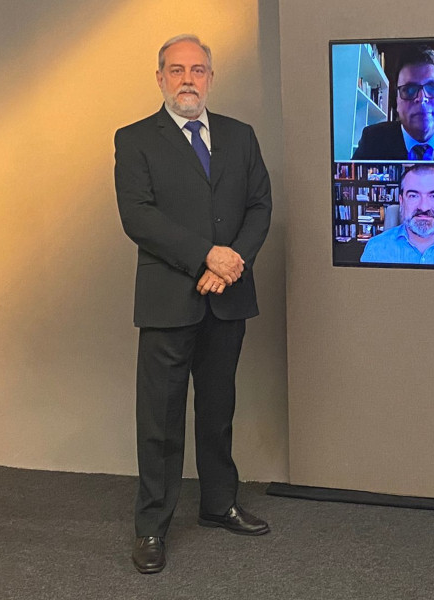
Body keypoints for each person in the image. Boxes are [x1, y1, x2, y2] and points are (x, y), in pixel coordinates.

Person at [114, 34, 272, 575]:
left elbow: (259, 206)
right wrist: (207, 255)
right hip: (167, 301)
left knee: (218, 409)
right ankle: (152, 527)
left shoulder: (240, 136)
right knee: (159, 419)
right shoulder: (134, 140)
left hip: (228, 298)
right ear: (160, 77)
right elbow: (139, 218)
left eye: (199, 70)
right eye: (177, 69)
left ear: (210, 77)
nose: (188, 78)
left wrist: (232, 264)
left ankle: (218, 504)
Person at [352, 45, 434, 161]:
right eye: (409, 89)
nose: (422, 99)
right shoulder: (373, 141)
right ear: (397, 100)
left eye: (433, 88)